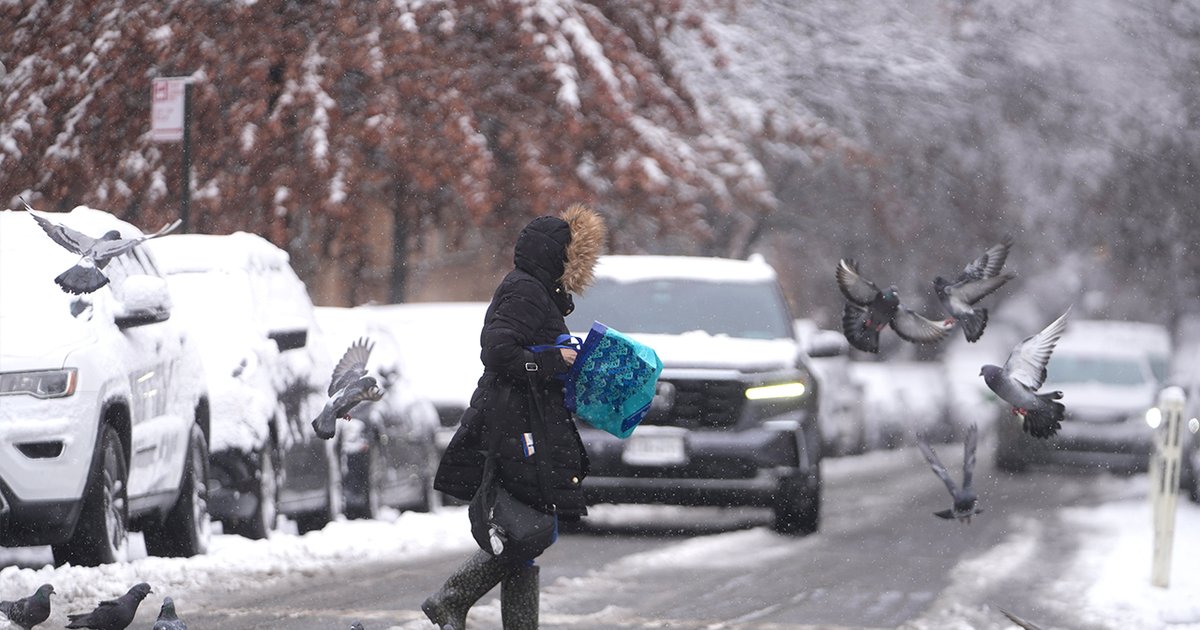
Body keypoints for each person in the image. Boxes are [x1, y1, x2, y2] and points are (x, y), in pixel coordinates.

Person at [422, 204, 607, 630]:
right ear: (555, 256)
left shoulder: (539, 292)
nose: (578, 268)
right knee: (530, 528)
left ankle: (476, 610)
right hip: (514, 423)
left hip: (529, 419)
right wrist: (551, 363)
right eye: (573, 257)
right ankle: (451, 597)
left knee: (526, 527)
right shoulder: (526, 291)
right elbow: (498, 351)